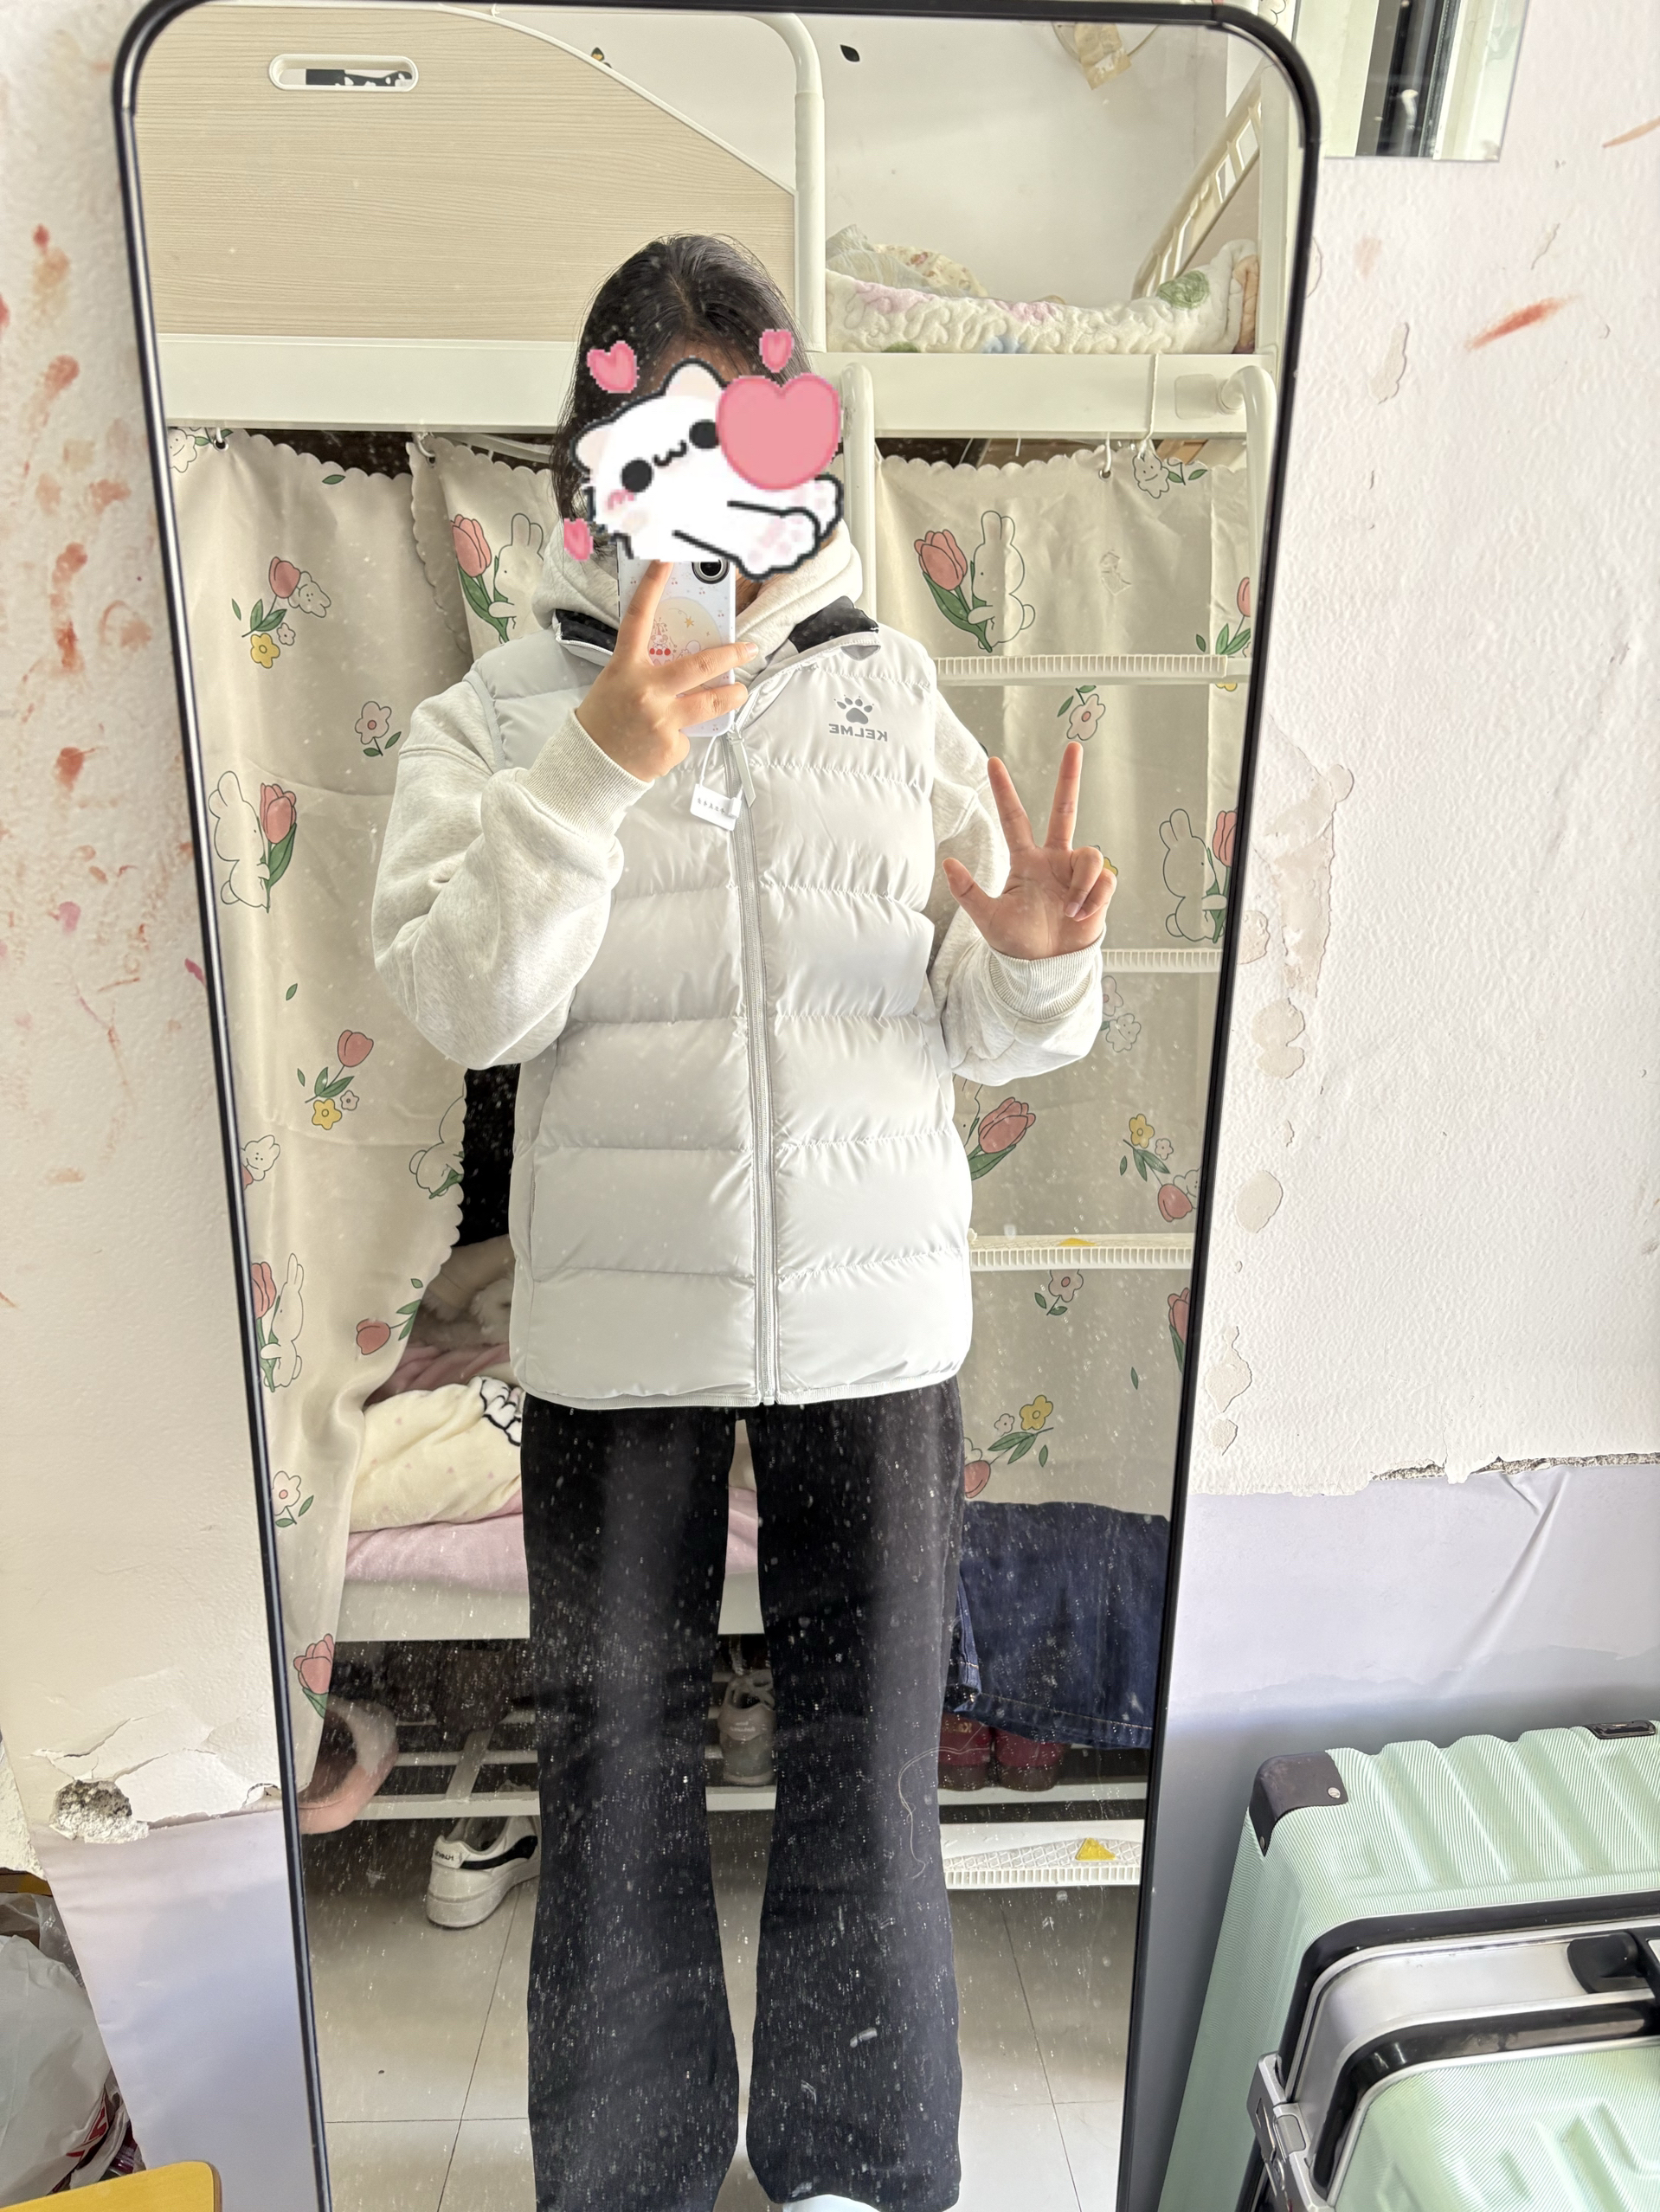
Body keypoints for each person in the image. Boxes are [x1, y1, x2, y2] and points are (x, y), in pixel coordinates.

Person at [372, 234, 1112, 2212]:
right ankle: (622, 2177)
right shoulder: (492, 722)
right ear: (590, 470)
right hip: (615, 1341)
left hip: (873, 1330)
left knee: (864, 1772)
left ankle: (856, 2167)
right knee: (613, 1774)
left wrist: (1034, 960)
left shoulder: (887, 696)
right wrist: (592, 767)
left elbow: (975, 1019)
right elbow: (466, 1004)